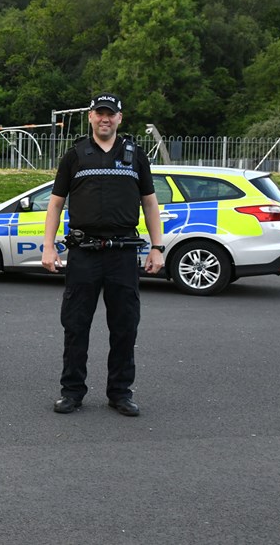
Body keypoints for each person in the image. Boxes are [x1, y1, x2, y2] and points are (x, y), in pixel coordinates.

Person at [41, 93, 164, 417]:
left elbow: (150, 203)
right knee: (76, 325)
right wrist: (49, 246)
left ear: (120, 118)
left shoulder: (135, 155)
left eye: (111, 114)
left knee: (125, 326)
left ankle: (120, 393)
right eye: (99, 113)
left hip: (122, 255)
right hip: (84, 254)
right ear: (91, 117)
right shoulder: (75, 155)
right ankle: (72, 392)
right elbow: (55, 203)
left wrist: (157, 246)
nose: (105, 119)